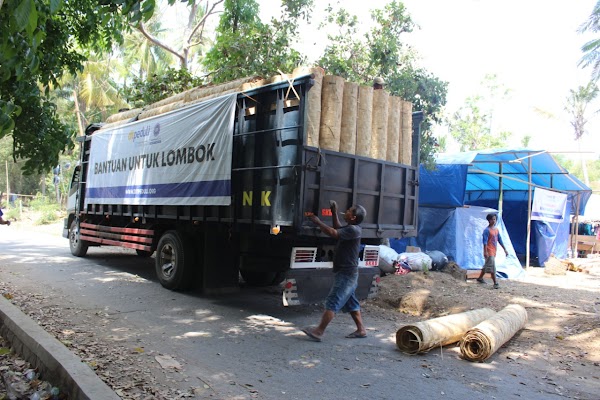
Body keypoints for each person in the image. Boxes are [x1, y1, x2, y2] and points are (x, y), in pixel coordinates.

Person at [301, 201, 367, 342]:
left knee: (333, 301)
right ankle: (361, 330)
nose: (347, 211)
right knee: (351, 302)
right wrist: (334, 212)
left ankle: (319, 331)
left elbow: (333, 232)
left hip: (346, 274)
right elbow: (338, 228)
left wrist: (318, 222)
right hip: (348, 273)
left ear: (353, 217)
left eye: (349, 210)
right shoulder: (351, 229)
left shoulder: (354, 230)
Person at [476, 213, 507, 289]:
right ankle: (495, 283)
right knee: (493, 267)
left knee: (487, 265)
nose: (493, 221)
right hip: (489, 251)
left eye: (494, 219)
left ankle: (480, 278)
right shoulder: (487, 230)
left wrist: (505, 249)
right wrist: (485, 251)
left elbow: (500, 240)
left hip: (494, 250)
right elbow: (485, 242)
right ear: (488, 220)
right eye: (492, 219)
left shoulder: (496, 230)